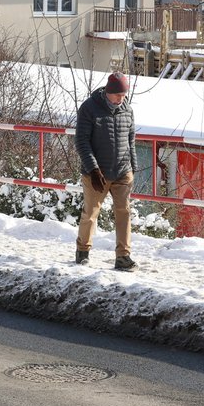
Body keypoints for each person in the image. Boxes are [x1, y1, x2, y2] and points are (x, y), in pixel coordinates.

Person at [75, 72, 138, 272]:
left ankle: (123, 256)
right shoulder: (89, 108)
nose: (122, 99)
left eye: (124, 95)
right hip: (97, 173)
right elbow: (82, 141)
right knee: (91, 213)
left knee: (124, 213)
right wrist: (93, 169)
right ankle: (82, 251)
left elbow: (131, 140)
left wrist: (133, 168)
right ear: (108, 92)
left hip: (122, 170)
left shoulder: (127, 109)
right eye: (118, 95)